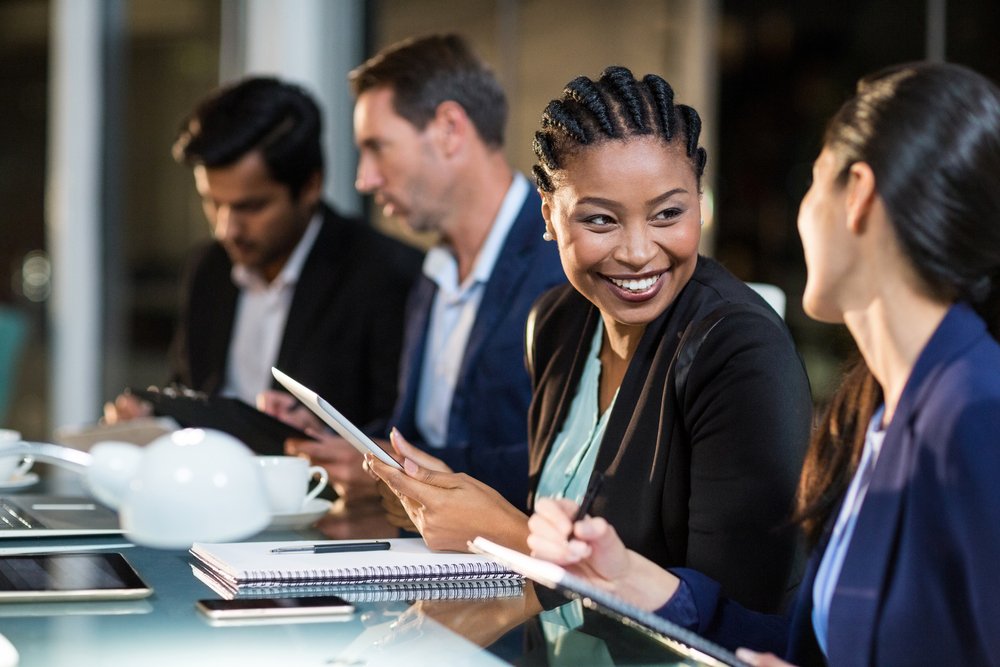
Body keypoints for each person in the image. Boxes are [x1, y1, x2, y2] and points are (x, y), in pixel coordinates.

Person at [526, 61, 1000, 667]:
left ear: (857, 196)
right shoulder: (876, 411)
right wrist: (638, 584)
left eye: (813, 183)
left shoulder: (974, 412)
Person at [367, 65, 812, 615]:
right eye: (601, 220)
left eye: (668, 214)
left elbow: (738, 621)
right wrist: (448, 491)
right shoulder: (555, 323)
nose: (638, 252)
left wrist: (503, 533)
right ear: (549, 215)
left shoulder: (740, 352)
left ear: (699, 201)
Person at [262, 35, 565, 503]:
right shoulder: (430, 274)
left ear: (449, 129)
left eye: (378, 147)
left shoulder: (562, 261)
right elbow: (424, 434)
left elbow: (570, 463)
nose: (365, 179)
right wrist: (344, 442)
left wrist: (399, 467)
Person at [104, 77, 422, 430]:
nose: (226, 229)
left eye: (251, 207)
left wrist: (324, 438)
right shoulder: (207, 267)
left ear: (311, 186)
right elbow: (188, 390)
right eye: (213, 203)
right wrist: (151, 418)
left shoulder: (387, 276)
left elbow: (401, 433)